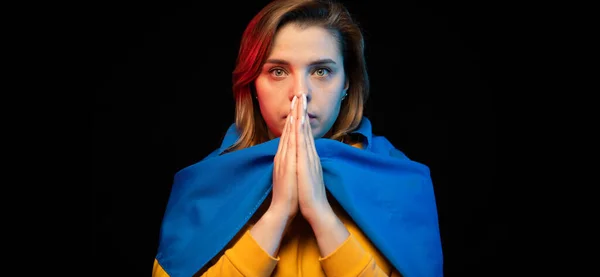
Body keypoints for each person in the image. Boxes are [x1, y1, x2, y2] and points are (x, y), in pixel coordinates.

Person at [152, 0, 443, 276]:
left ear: (347, 83)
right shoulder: (209, 181)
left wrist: (321, 215)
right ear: (253, 83)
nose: (300, 93)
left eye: (321, 71)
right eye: (278, 71)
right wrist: (277, 215)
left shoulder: (398, 180)